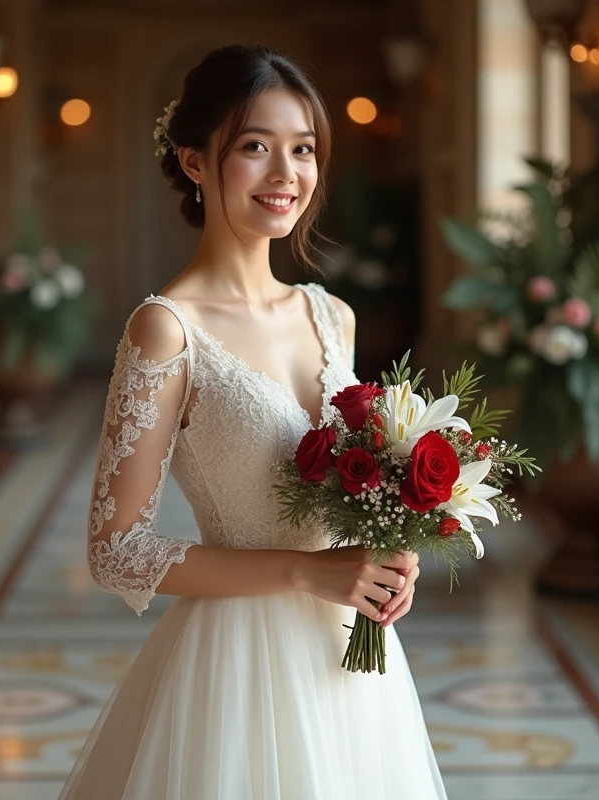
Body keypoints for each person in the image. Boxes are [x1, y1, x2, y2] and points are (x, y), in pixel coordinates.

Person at [59, 44, 447, 799]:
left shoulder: (332, 315)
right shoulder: (165, 330)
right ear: (195, 162)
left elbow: (355, 486)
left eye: (302, 149)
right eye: (254, 148)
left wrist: (393, 553)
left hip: (349, 662)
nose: (285, 175)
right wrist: (307, 571)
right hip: (233, 667)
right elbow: (116, 552)